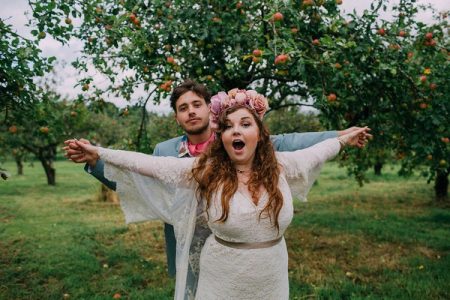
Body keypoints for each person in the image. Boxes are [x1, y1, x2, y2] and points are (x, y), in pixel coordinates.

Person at [69, 88, 370, 299]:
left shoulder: (281, 165)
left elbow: (318, 151)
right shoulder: (205, 170)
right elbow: (148, 164)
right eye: (228, 127)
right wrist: (98, 153)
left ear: (260, 134)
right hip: (221, 278)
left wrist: (344, 138)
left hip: (272, 276)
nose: (236, 131)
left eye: (245, 124)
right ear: (221, 136)